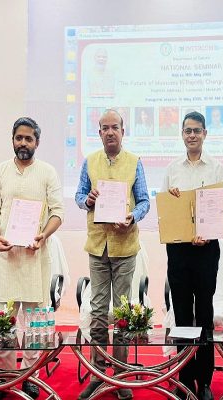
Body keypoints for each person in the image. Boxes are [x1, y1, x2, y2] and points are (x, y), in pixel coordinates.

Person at [0, 117, 64, 400]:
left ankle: (30, 376)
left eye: (28, 138)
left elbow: (58, 212)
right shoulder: (0, 172)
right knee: (3, 323)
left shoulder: (47, 172)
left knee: (36, 325)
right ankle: (5, 378)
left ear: (37, 142)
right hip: (6, 258)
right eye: (19, 137)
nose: (23, 143)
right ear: (12, 140)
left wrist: (43, 235)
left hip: (35, 258)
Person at [75, 109, 150, 400]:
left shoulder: (134, 162)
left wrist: (132, 216)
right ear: (99, 133)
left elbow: (144, 201)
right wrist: (87, 200)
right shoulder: (90, 161)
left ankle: (119, 374)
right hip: (97, 245)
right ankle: (98, 373)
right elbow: (79, 196)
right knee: (97, 311)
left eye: (114, 127)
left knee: (121, 312)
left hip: (124, 245)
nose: (110, 132)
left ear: (122, 131)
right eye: (104, 128)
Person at [161, 111, 223, 400]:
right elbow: (166, 213)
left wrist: (209, 232)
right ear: (182, 134)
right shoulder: (172, 169)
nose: (192, 135)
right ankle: (184, 377)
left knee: (204, 313)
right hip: (178, 250)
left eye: (197, 130)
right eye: (187, 130)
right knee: (181, 314)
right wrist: (172, 199)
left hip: (206, 250)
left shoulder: (216, 168)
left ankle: (204, 380)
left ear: (205, 134)